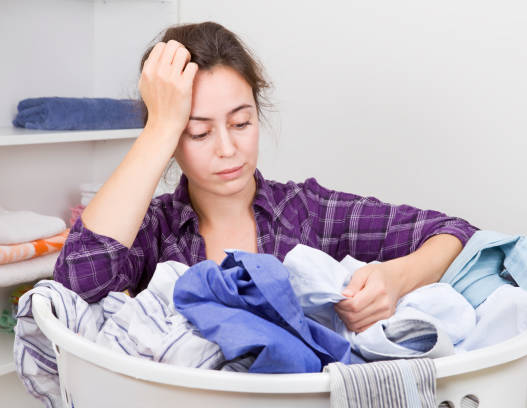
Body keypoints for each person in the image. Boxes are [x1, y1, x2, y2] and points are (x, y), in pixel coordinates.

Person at [54, 21, 479, 334]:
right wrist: (160, 126)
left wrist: (395, 278)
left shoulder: (308, 212)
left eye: (241, 123)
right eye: (198, 132)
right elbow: (76, 283)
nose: (227, 148)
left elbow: (455, 232)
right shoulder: (155, 230)